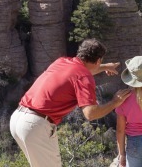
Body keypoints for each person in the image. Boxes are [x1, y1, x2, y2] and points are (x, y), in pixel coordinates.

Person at [10, 39, 132, 167]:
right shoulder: (84, 78)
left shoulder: (62, 61)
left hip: (18, 119)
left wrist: (105, 67)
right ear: (98, 60)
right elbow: (90, 114)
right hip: (35, 125)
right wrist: (115, 102)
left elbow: (81, 71)